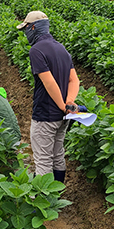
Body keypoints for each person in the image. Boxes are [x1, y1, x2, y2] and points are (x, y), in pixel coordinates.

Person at [17, 10, 79, 182]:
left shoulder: (36, 50)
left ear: (34, 27)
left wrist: (60, 104)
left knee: (43, 161)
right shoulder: (61, 48)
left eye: (26, 29)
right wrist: (69, 103)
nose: (26, 34)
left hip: (45, 115)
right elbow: (74, 80)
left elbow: (49, 82)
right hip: (62, 117)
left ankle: (43, 203)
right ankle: (57, 196)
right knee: (58, 154)